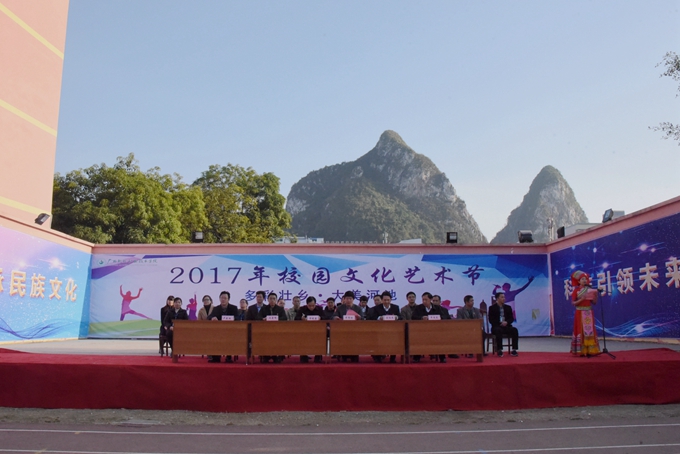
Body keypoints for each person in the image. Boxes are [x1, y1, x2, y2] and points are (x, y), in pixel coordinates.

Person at [411, 292, 451, 362]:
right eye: (423, 300)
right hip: (422, 330)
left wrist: (437, 317)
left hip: (436, 330)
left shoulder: (438, 308)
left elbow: (445, 317)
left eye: (426, 300)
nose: (424, 301)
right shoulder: (418, 308)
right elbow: (413, 317)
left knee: (440, 338)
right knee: (418, 338)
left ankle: (442, 357)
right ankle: (416, 357)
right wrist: (421, 318)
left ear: (430, 300)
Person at [570, 270, 601, 356]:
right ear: (579, 281)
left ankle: (590, 350)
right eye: (582, 279)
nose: (584, 280)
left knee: (589, 331)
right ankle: (581, 350)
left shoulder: (590, 290)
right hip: (579, 312)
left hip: (588, 312)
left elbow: (594, 302)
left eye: (585, 279)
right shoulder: (576, 291)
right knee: (581, 330)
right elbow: (573, 303)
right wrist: (581, 299)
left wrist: (596, 296)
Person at [368, 291, 402, 363]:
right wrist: (379, 318)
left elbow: (401, 317)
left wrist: (397, 317)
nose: (386, 302)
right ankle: (378, 357)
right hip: (380, 330)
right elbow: (373, 318)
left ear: (391, 300)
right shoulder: (376, 308)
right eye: (385, 300)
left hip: (392, 330)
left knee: (395, 339)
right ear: (382, 300)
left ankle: (392, 358)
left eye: (388, 300)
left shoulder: (395, 307)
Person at [207, 291, 239, 363]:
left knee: (230, 338)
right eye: (221, 298)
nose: (223, 300)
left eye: (225, 298)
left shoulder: (233, 308)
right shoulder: (216, 308)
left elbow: (237, 318)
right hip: (218, 331)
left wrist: (232, 318)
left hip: (231, 331)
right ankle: (216, 357)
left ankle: (229, 357)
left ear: (228, 299)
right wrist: (212, 318)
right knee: (214, 337)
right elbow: (209, 317)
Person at [258, 292, 288, 363]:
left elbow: (284, 318)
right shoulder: (263, 308)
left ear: (276, 300)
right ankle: (266, 356)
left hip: (277, 330)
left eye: (274, 299)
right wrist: (263, 319)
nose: (272, 300)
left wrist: (277, 319)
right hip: (266, 330)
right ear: (268, 300)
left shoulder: (280, 309)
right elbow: (258, 317)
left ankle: (276, 356)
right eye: (270, 299)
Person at [295, 296, 326, 363]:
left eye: (313, 305)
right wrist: (301, 319)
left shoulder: (320, 309)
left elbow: (325, 318)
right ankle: (303, 356)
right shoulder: (302, 309)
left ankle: (318, 356)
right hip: (304, 330)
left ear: (315, 304)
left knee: (320, 337)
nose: (311, 307)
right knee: (302, 338)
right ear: (307, 304)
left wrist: (321, 318)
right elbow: (296, 318)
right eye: (309, 306)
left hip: (317, 331)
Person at [488, 292, 519, 357]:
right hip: (496, 326)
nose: (504, 298)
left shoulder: (508, 307)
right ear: (497, 298)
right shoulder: (492, 308)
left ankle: (514, 349)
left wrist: (506, 322)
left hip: (506, 326)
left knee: (514, 330)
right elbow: (491, 320)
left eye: (504, 297)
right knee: (498, 331)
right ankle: (499, 350)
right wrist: (500, 323)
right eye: (502, 297)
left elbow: (511, 318)